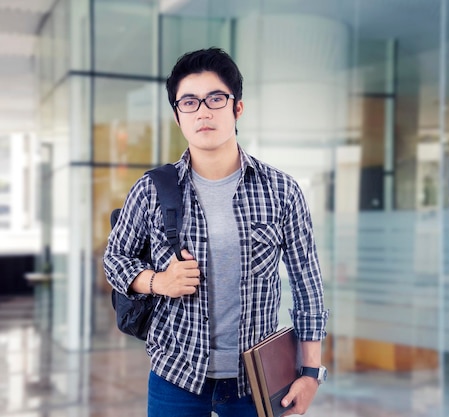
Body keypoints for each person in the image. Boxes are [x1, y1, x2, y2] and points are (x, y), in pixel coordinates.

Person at [103, 47, 329, 417]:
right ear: (178, 116)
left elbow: (309, 285)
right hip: (175, 376)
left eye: (215, 99)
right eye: (189, 102)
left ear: (237, 108)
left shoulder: (282, 191)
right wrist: (158, 281)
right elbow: (114, 259)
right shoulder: (150, 189)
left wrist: (310, 373)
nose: (203, 111)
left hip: (254, 382)